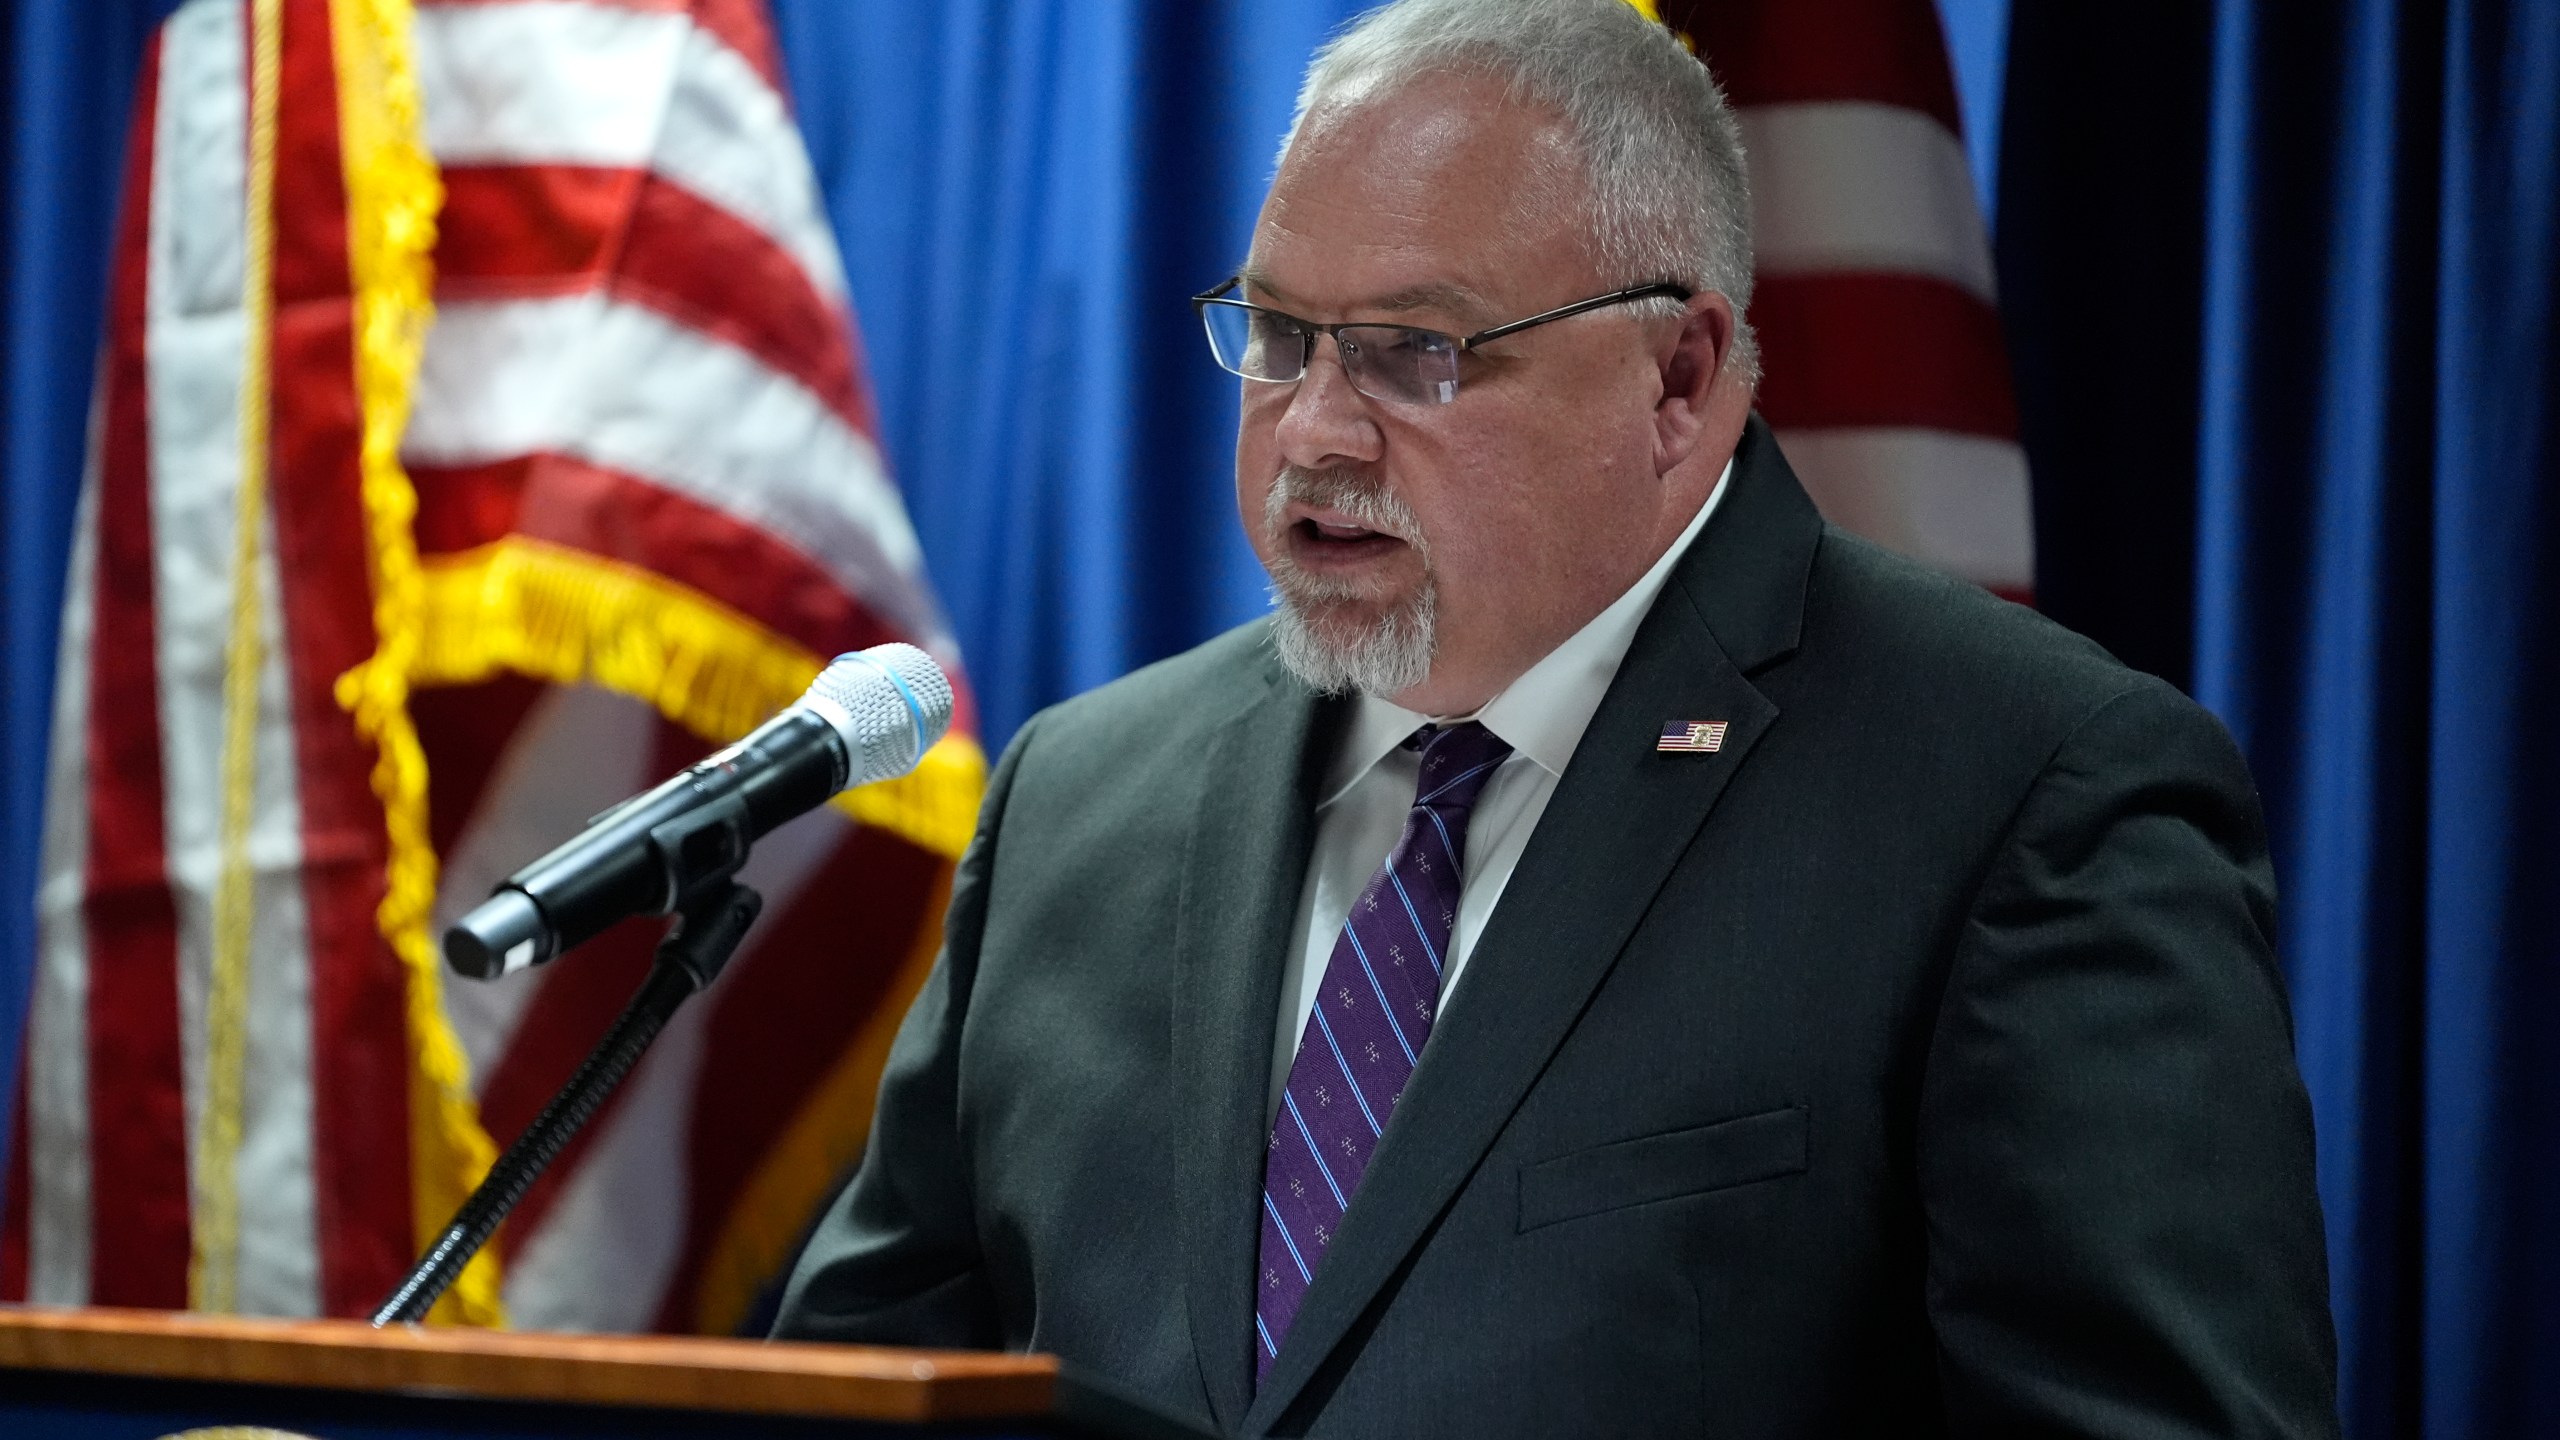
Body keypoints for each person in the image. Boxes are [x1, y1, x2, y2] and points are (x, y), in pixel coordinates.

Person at [773, 1, 2340, 1435]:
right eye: (1275, 336)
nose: (1313, 426)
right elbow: (857, 1394)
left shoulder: (2022, 795)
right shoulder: (1080, 796)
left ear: (1678, 379)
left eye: (1414, 354)